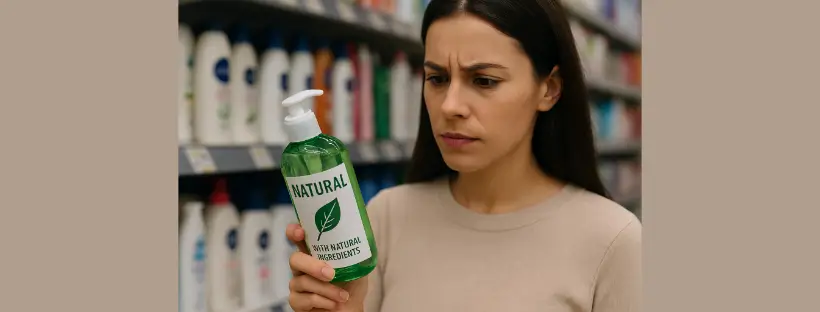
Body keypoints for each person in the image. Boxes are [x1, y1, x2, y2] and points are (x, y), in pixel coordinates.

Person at [285, 0, 642, 311]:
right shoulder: (387, 217)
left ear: (548, 89)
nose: (450, 106)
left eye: (484, 80)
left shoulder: (613, 240)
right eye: (437, 79)